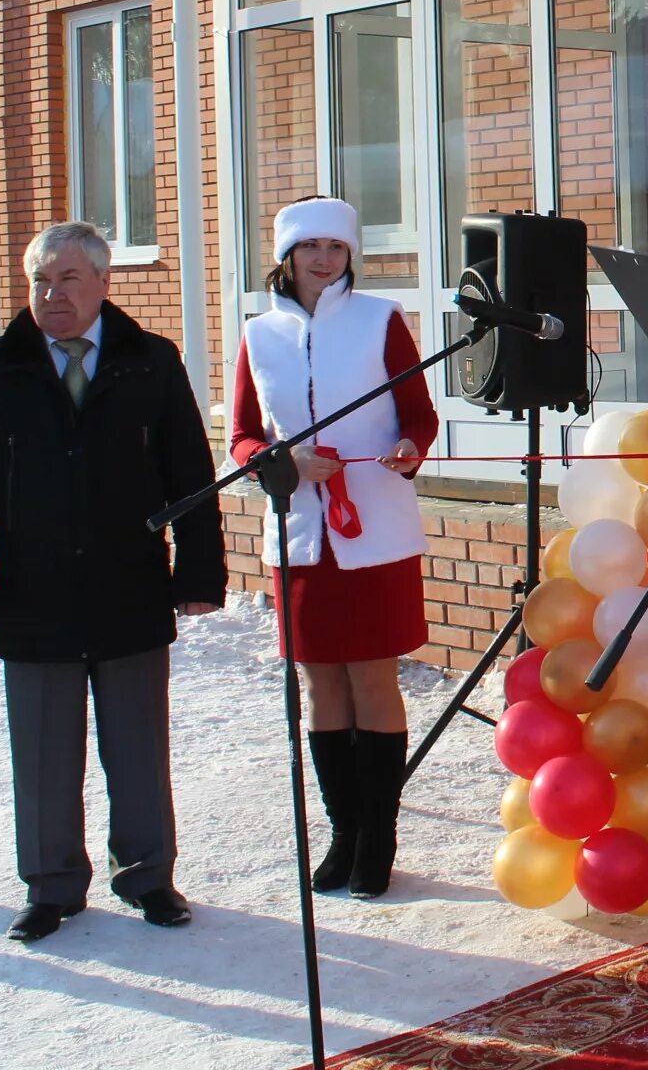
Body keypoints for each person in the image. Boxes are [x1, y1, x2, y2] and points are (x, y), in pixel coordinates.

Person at [0, 221, 225, 943]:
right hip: (33, 595)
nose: (51, 293)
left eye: (67, 279)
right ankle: (51, 884)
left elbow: (191, 476)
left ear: (102, 284)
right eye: (39, 280)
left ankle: (149, 876)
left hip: (130, 588)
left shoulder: (151, 362)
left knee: (137, 748)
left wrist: (199, 572)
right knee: (42, 752)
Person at [230, 196, 438, 900]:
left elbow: (419, 413)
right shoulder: (259, 334)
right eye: (310, 246)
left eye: (336, 248)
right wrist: (281, 462)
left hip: (373, 526)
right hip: (302, 534)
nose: (324, 259)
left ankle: (379, 835)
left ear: (351, 255)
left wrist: (410, 449)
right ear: (286, 256)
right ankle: (343, 831)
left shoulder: (382, 320)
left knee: (374, 678)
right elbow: (242, 438)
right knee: (321, 682)